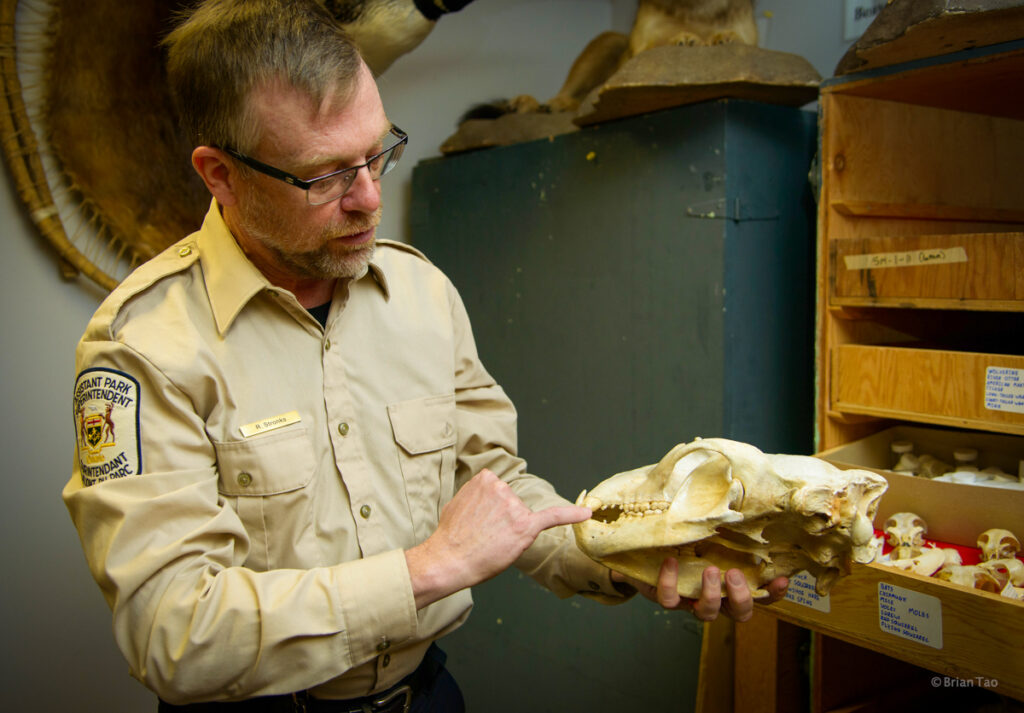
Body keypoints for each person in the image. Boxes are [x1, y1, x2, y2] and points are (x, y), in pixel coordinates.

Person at [63, 1, 787, 711]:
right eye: (325, 176)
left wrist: (645, 546)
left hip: (426, 694)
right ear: (220, 174)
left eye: (379, 150)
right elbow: (172, 629)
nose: (371, 199)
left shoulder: (420, 292)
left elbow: (498, 487)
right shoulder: (143, 347)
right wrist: (428, 568)